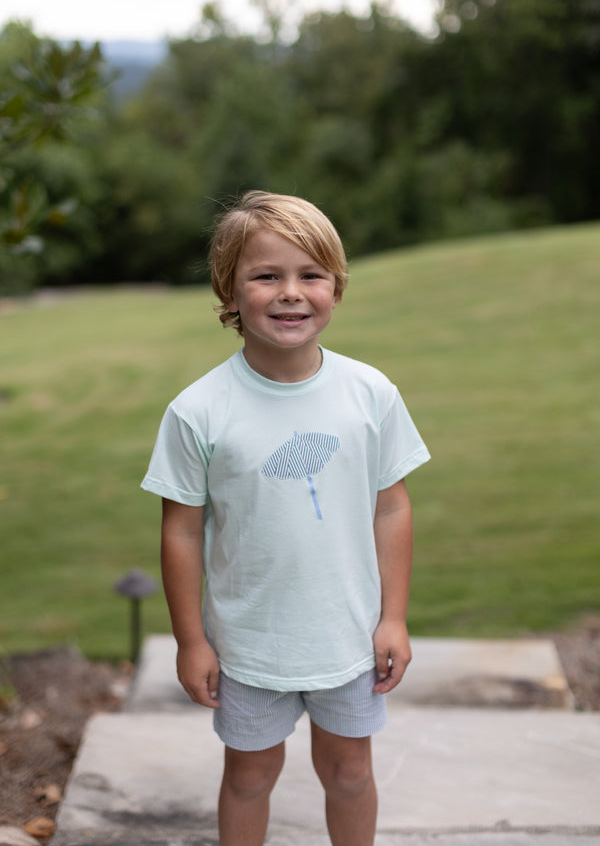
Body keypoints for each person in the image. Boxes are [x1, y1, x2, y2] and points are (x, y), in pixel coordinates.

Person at [141, 191, 430, 846]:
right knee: (248, 776)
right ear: (231, 290)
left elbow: (392, 504)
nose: (291, 293)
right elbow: (181, 531)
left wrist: (393, 617)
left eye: (311, 275)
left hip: (349, 636)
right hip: (248, 643)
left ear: (336, 286)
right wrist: (192, 641)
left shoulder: (370, 394)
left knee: (350, 770)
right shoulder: (199, 410)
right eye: (267, 275)